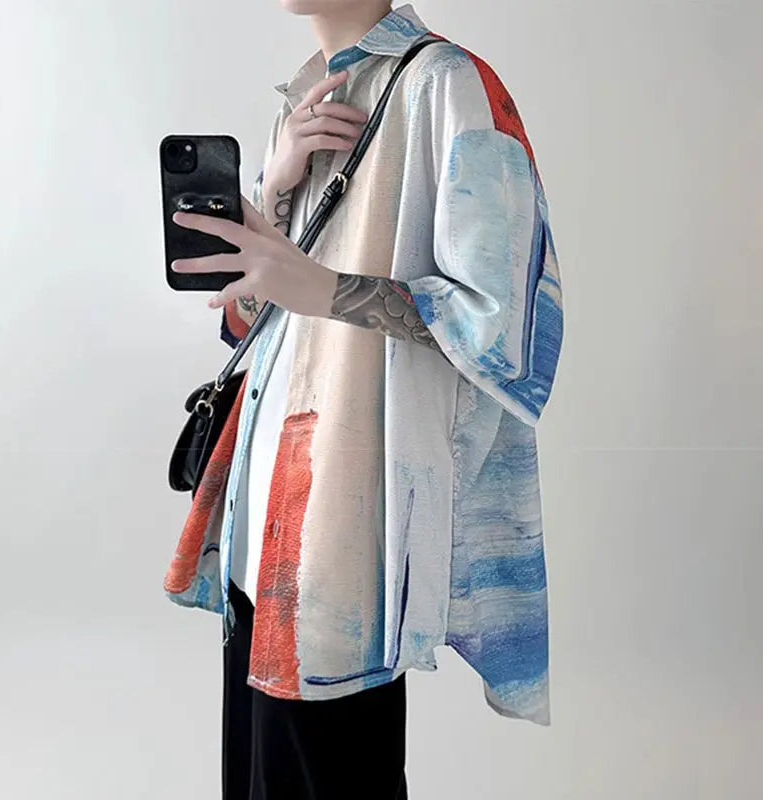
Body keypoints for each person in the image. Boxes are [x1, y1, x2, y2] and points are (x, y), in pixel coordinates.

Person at [164, 2, 564, 798]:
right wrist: (276, 187)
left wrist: (326, 287)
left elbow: (508, 327)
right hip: (260, 510)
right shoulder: (304, 102)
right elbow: (249, 323)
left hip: (348, 523)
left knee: (334, 774)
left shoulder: (449, 84)